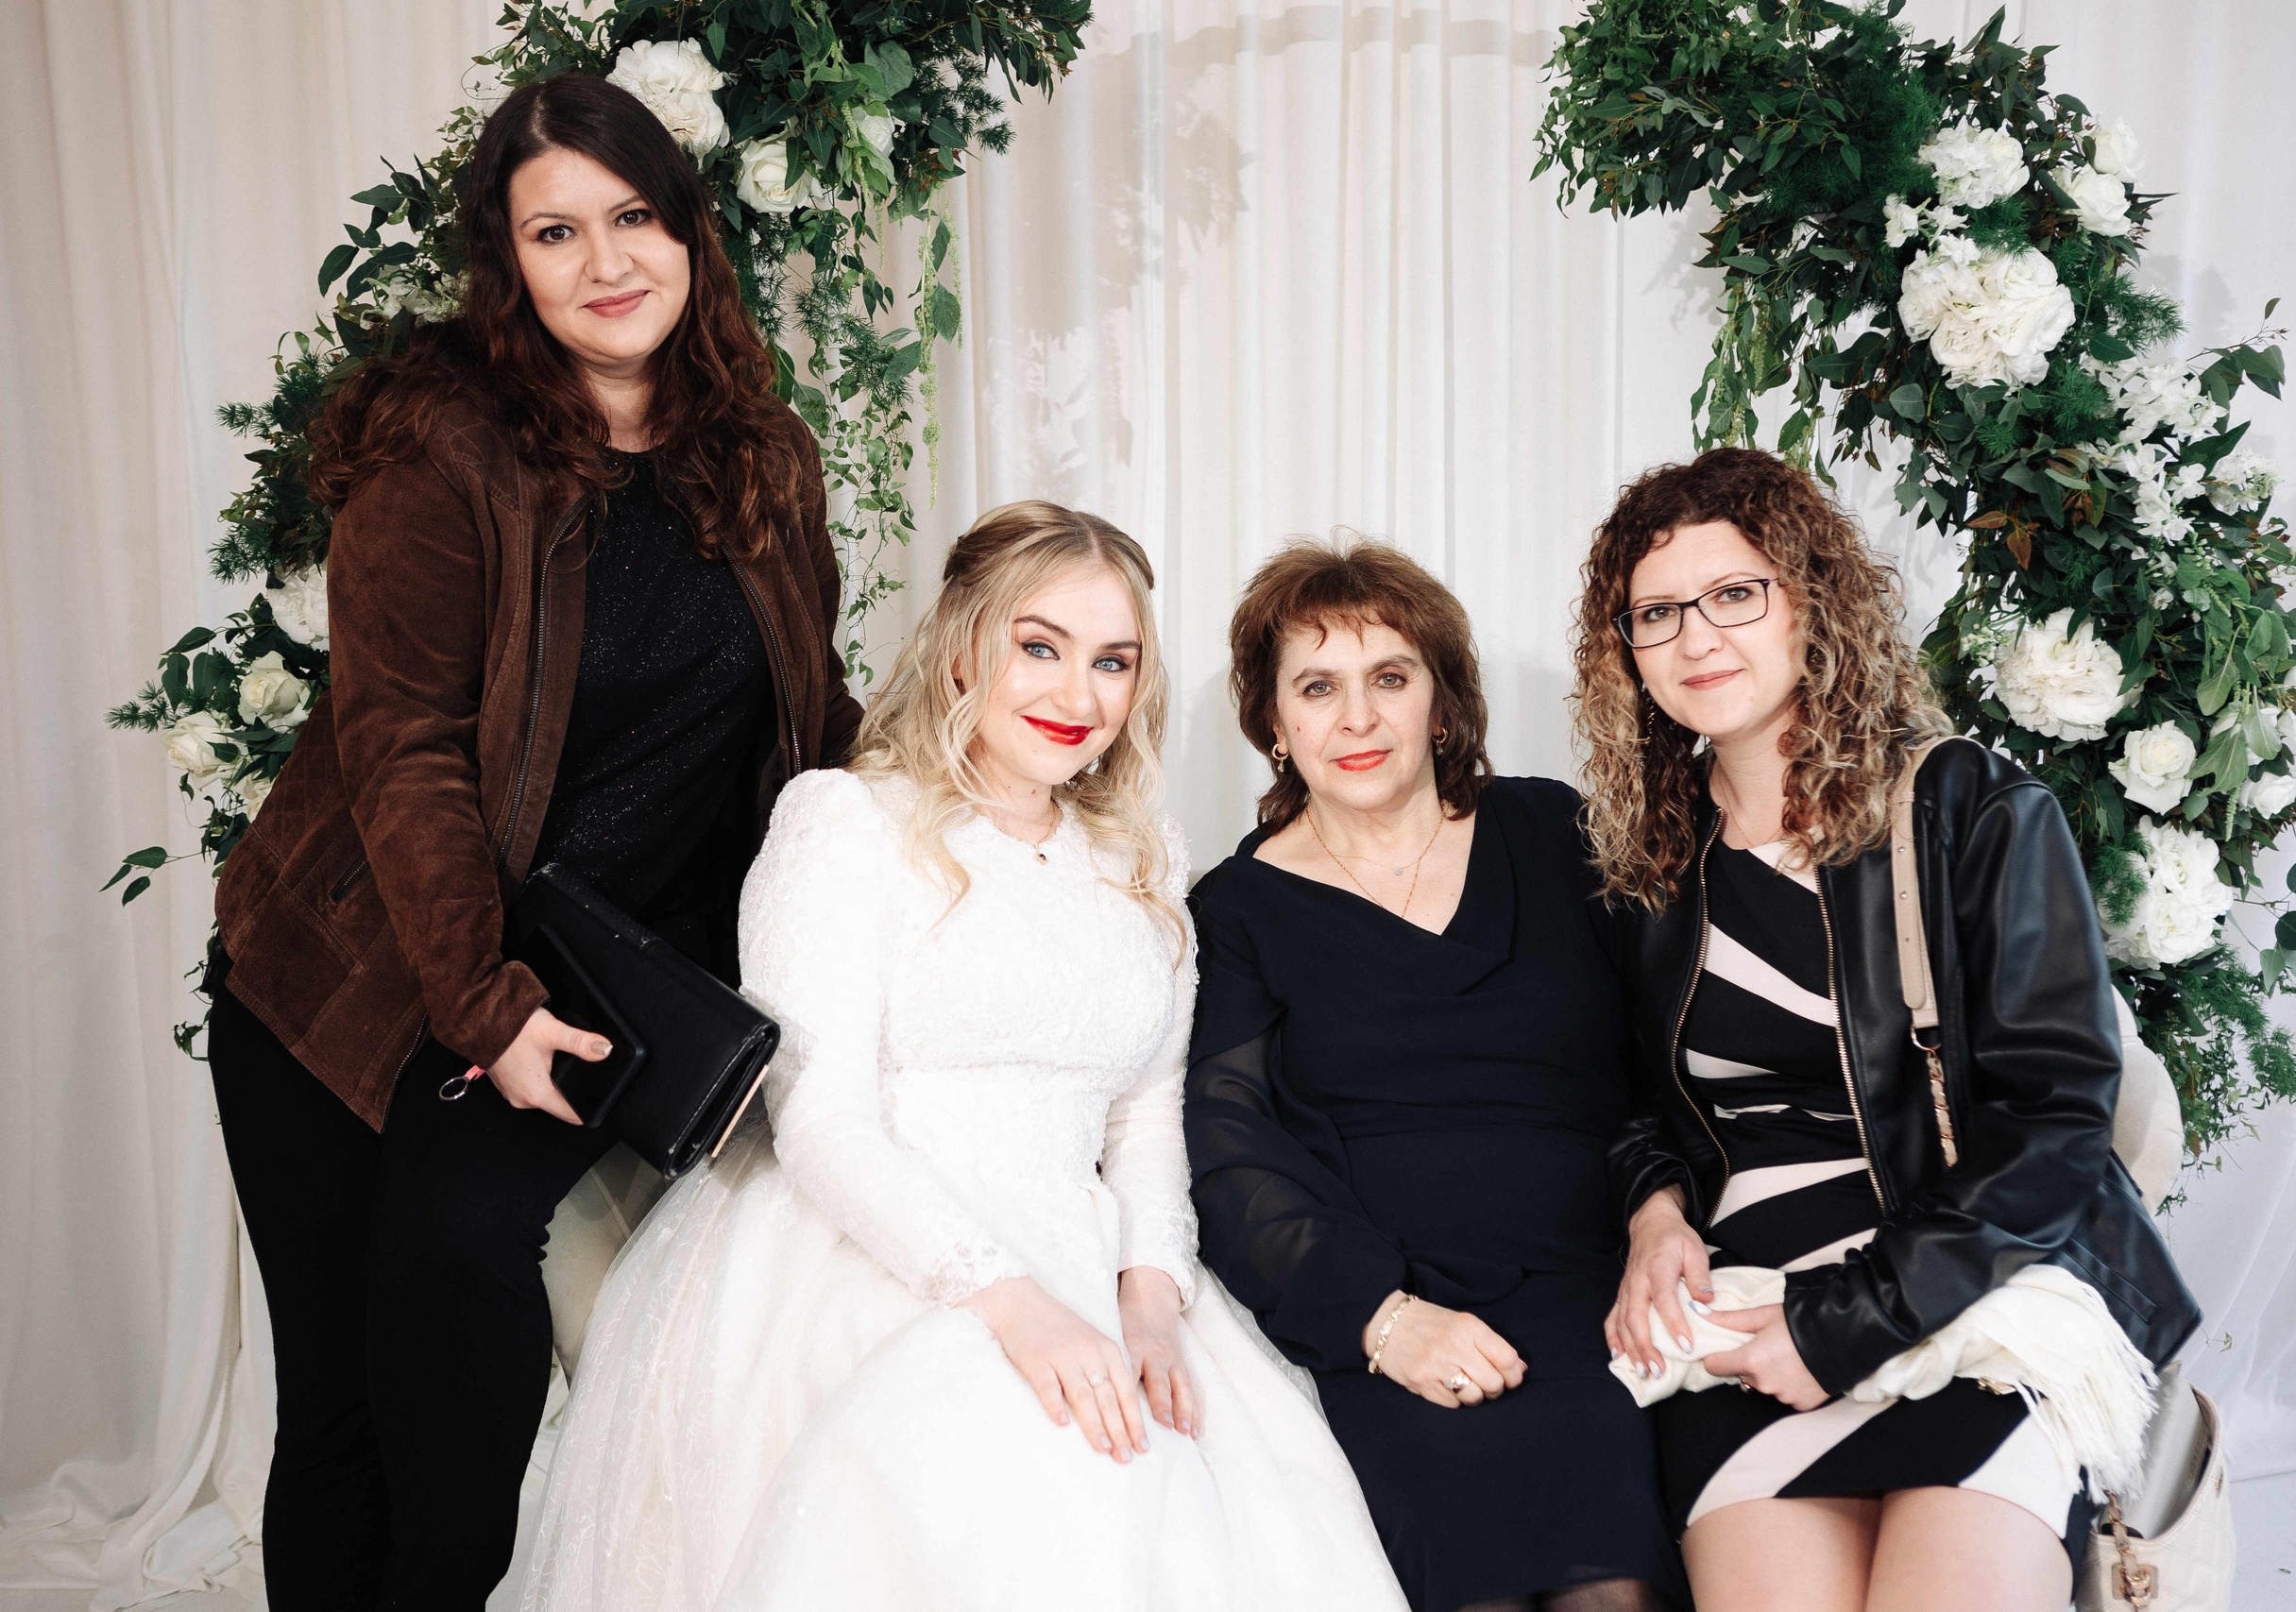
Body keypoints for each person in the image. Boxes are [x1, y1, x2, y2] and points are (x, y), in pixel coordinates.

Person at [201, 74, 861, 1607]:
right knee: (347, 1412)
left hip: (588, 983)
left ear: (689, 231)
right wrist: (483, 1003)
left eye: (633, 216)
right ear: (510, 263)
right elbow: (407, 750)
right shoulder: (444, 451)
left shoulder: (764, 456)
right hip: (356, 979)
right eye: (556, 231)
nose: (606, 260)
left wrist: (952, 824)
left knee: (466, 1385)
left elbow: (808, 714)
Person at [519, 501, 1408, 1612]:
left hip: (1080, 1234)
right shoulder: (844, 821)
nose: (1077, 697)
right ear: (960, 648)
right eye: (1039, 647)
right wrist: (1009, 1302)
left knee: (1224, 1488)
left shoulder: (1141, 853)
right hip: (867, 1238)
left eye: (1112, 662)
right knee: (1024, 1475)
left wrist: (1150, 1298)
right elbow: (818, 1118)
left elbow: (1144, 1114)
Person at [1573, 448, 2200, 1612]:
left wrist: (1850, 1319)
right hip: (1746, 1308)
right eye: (1656, 613)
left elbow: (2056, 1123)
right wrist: (1654, 1205)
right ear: (1626, 649)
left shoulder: (1972, 808)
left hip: (1966, 1289)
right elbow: (1618, 1097)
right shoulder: (1644, 867)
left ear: (1809, 599)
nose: (1696, 638)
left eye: (1734, 594)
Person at [1185, 537, 1685, 1612]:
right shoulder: (1233, 912)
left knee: (1614, 1583)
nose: (1355, 719)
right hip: (1385, 1303)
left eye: (1389, 679)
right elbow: (1228, 1156)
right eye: (1317, 687)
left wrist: (1659, 1214)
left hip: (1587, 1292)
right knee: (1473, 1580)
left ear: (1442, 704)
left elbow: (1667, 1063)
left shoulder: (1557, 832)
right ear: (1274, 723)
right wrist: (1381, 1320)